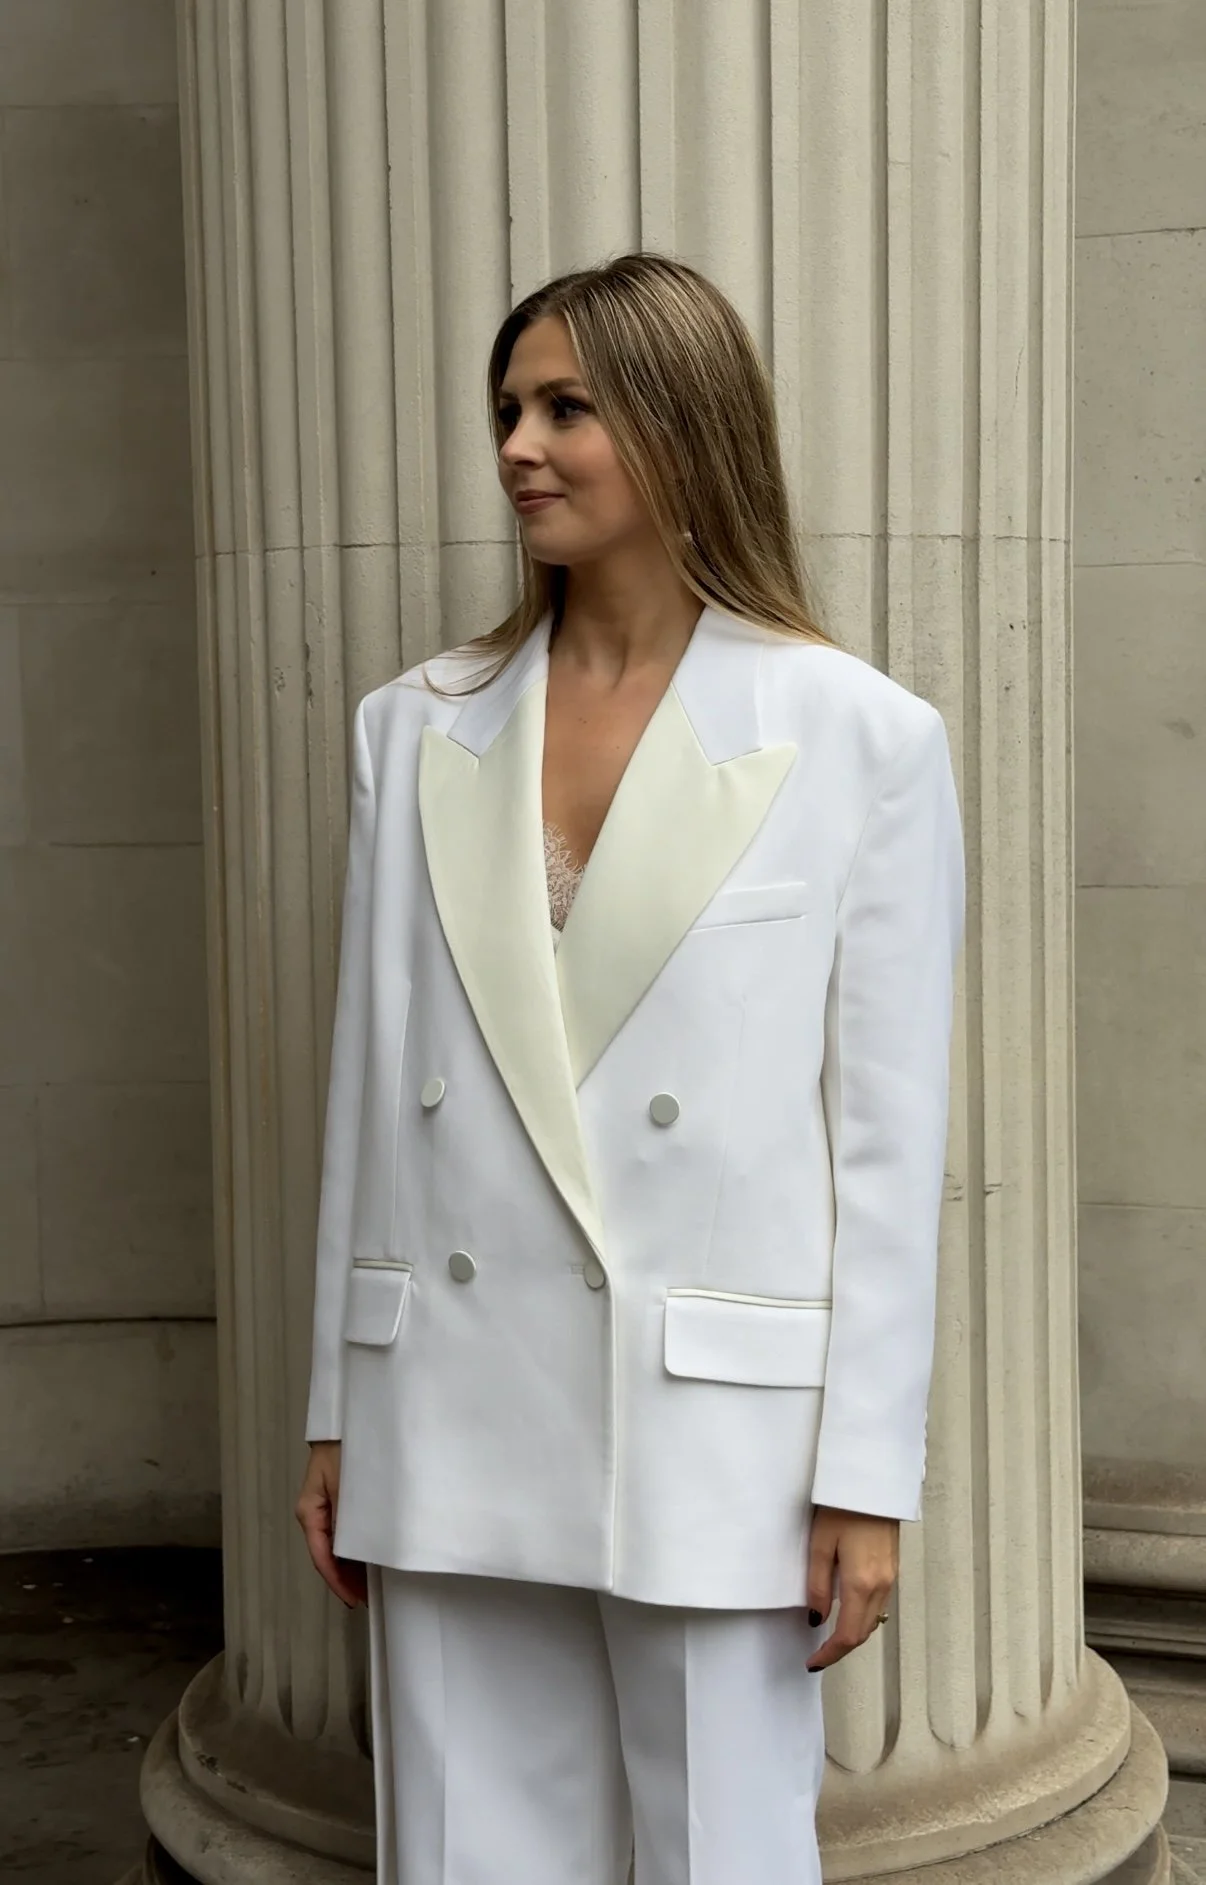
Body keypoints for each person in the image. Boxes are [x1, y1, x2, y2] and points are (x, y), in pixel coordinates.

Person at [296, 251, 965, 1885]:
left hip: (712, 1422)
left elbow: (884, 1141)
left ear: (680, 426)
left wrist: (863, 1478)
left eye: (566, 407)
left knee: (720, 1858)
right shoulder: (418, 724)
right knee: (465, 1857)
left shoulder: (854, 733)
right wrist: (337, 1406)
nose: (519, 444)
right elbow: (373, 1090)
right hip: (446, 1391)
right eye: (509, 408)